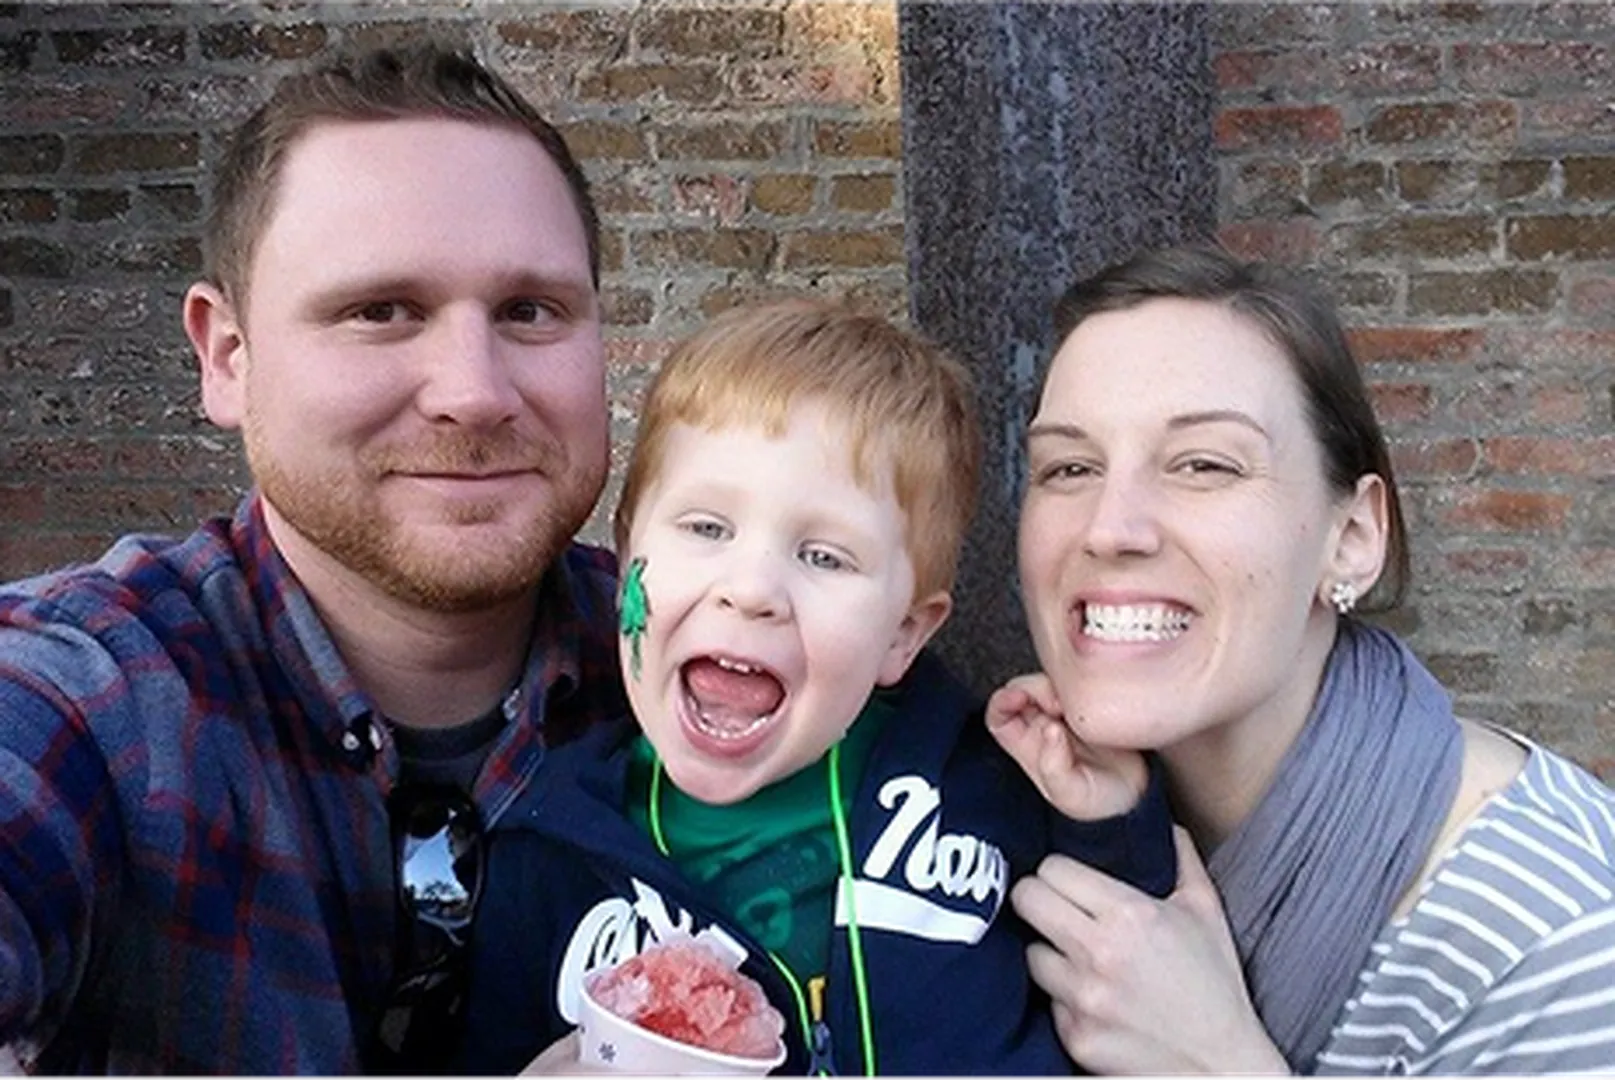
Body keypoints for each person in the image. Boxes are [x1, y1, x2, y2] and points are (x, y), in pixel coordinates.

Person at [0, 43, 626, 1077]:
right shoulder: (101, 699)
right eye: (382, 311)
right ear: (226, 357)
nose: (472, 390)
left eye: (529, 312)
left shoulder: (732, 669)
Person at [450, 299, 1177, 1080]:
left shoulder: (984, 789)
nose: (752, 588)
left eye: (825, 557)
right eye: (705, 529)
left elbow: (1131, 981)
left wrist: (1105, 817)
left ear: (902, 634)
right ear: (627, 562)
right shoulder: (543, 853)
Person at [989, 243, 1615, 1078]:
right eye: (1068, 467)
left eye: (1204, 464)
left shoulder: (1550, 929)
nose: (1109, 527)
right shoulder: (992, 821)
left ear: (1349, 539)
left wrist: (1216, 1063)